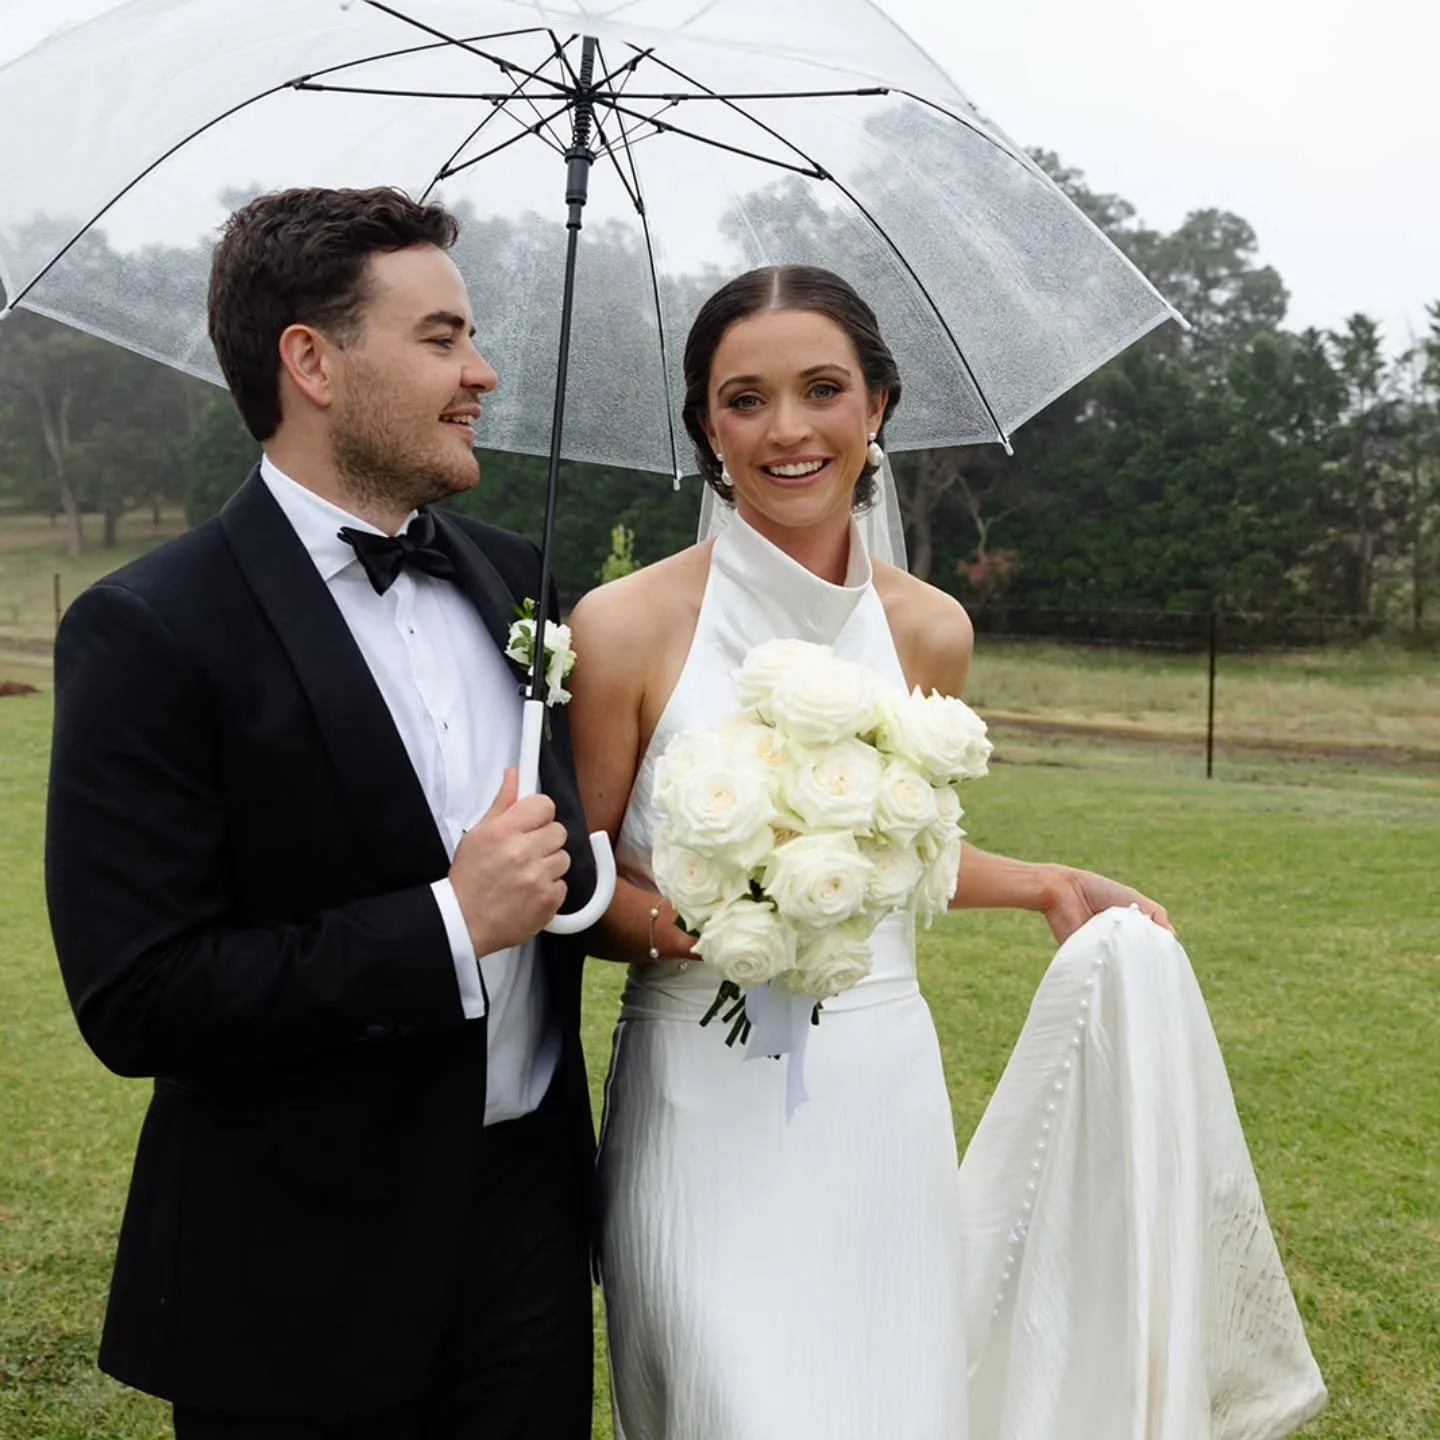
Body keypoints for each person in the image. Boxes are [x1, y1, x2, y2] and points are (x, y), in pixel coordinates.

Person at [566, 264, 1173, 1439]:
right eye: (745, 399)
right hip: (701, 1095)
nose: (787, 429)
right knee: (727, 1404)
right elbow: (584, 887)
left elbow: (908, 851)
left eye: (822, 389)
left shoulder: (932, 628)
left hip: (875, 1089)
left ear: (879, 407)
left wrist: (1045, 881)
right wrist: (717, 924)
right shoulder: (625, 624)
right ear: (706, 425)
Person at [44, 187, 596, 1440]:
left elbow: (572, 853)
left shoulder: (518, 576)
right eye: (443, 338)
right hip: (297, 1271)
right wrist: (453, 924)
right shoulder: (151, 629)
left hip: (527, 1243)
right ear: (312, 361)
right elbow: (140, 995)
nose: (483, 373)